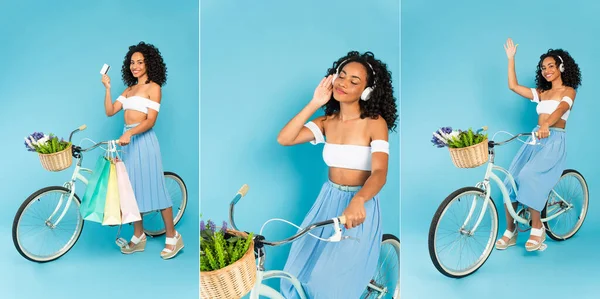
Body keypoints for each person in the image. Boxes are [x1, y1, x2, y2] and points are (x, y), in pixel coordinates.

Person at [277, 51, 398, 298]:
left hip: (359, 204)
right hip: (327, 201)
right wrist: (314, 102)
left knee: (328, 282)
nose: (344, 83)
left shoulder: (375, 124)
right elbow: (284, 138)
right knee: (297, 270)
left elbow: (380, 172)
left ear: (367, 90)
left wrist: (359, 200)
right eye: (341, 76)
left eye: (354, 81)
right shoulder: (327, 122)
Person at [495, 38, 581, 252]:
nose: (546, 70)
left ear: (561, 67)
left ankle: (537, 226)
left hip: (554, 140)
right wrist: (511, 58)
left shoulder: (569, 91)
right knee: (510, 181)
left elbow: (560, 110)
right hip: (535, 139)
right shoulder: (542, 93)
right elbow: (513, 86)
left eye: (551, 66)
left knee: (529, 176)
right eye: (543, 68)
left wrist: (547, 125)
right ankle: (511, 230)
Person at [101, 41, 183, 260]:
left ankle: (173, 237)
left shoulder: (154, 88)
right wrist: (108, 89)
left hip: (143, 141)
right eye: (132, 62)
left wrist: (130, 133)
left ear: (149, 64)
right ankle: (139, 236)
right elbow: (110, 111)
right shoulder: (128, 90)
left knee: (156, 188)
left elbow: (151, 121)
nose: (134, 66)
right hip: (126, 143)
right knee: (130, 191)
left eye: (139, 62)